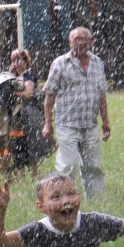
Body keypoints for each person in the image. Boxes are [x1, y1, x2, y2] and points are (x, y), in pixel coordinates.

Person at [42, 28, 110, 199]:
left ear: (90, 41)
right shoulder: (60, 63)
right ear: (70, 42)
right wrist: (47, 123)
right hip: (67, 124)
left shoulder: (97, 62)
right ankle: (61, 199)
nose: (80, 43)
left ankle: (95, 201)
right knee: (69, 165)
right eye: (76, 39)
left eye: (84, 39)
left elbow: (102, 95)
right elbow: (49, 96)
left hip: (90, 124)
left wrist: (105, 122)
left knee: (93, 165)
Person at [8, 49, 53, 176]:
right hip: (16, 119)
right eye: (13, 60)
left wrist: (13, 93)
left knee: (30, 150)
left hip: (28, 117)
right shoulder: (13, 77)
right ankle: (20, 177)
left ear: (25, 61)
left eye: (18, 60)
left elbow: (28, 94)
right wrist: (9, 75)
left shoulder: (28, 75)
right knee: (17, 149)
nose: (15, 63)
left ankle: (36, 177)